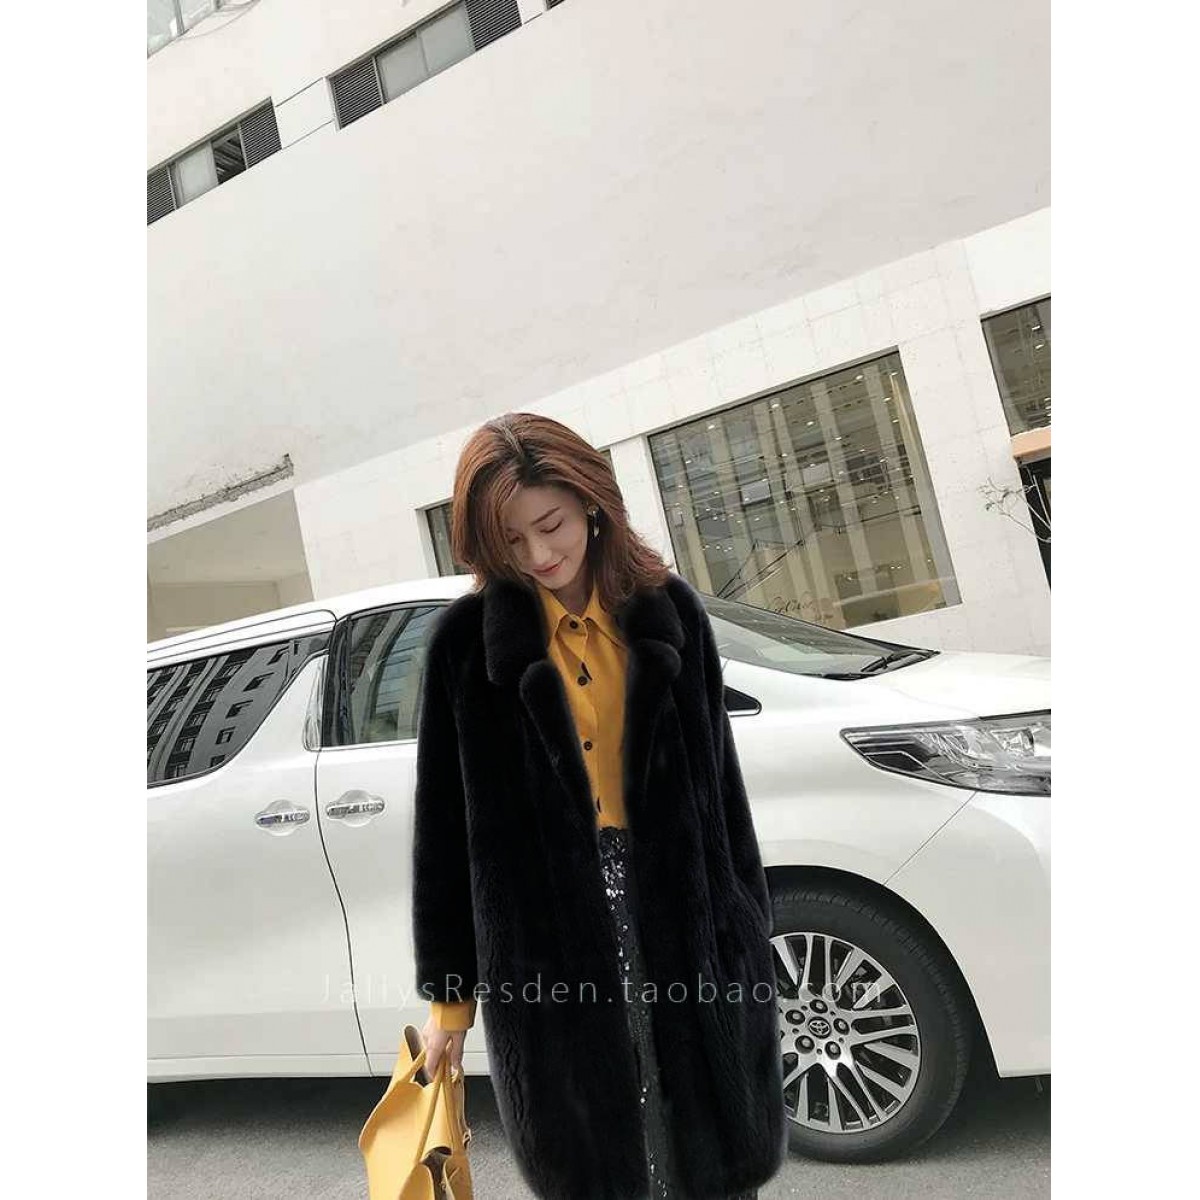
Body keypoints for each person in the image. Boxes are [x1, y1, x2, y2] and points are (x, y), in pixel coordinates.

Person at [413, 412, 786, 1200]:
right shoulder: (466, 646)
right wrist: (450, 1005)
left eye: (549, 525)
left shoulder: (669, 613)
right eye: (511, 541)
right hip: (550, 941)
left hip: (686, 918)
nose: (538, 555)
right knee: (601, 1162)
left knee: (709, 1157)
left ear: (590, 500)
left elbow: (722, 791)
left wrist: (747, 928)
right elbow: (444, 838)